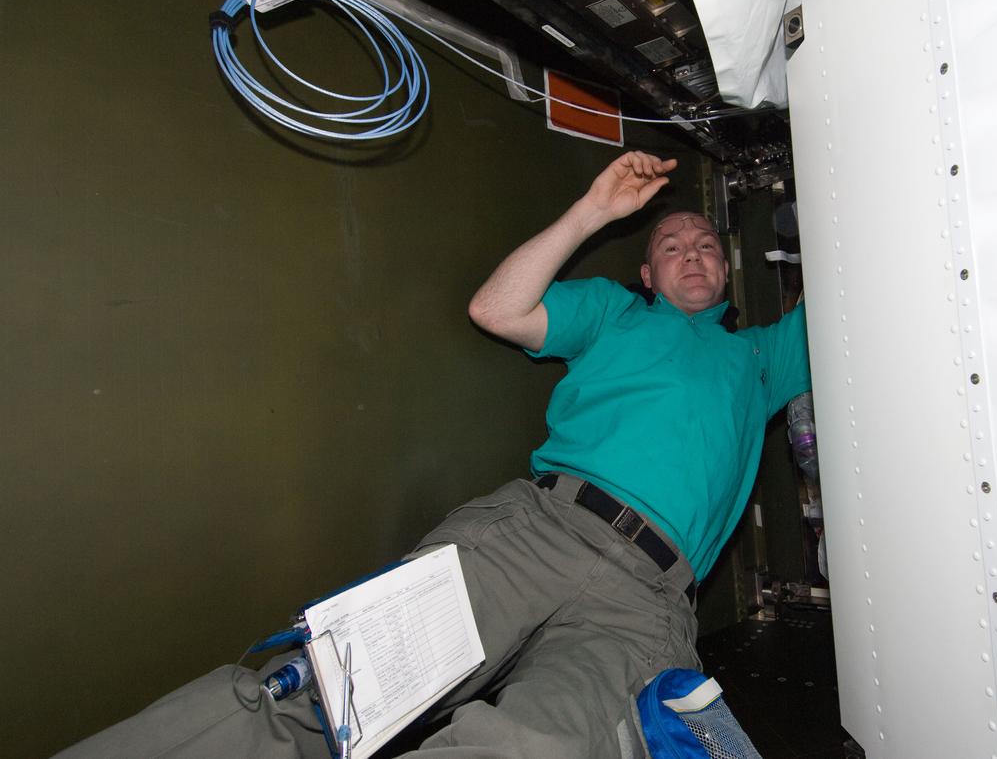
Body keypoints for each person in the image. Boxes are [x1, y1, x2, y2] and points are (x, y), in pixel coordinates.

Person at [57, 151, 810, 759]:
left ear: (724, 270)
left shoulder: (759, 361)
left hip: (646, 603)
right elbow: (496, 308)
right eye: (670, 245)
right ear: (646, 274)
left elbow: (843, 302)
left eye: (706, 246)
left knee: (539, 746)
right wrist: (594, 211)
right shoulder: (615, 312)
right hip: (537, 535)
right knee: (340, 687)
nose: (692, 255)